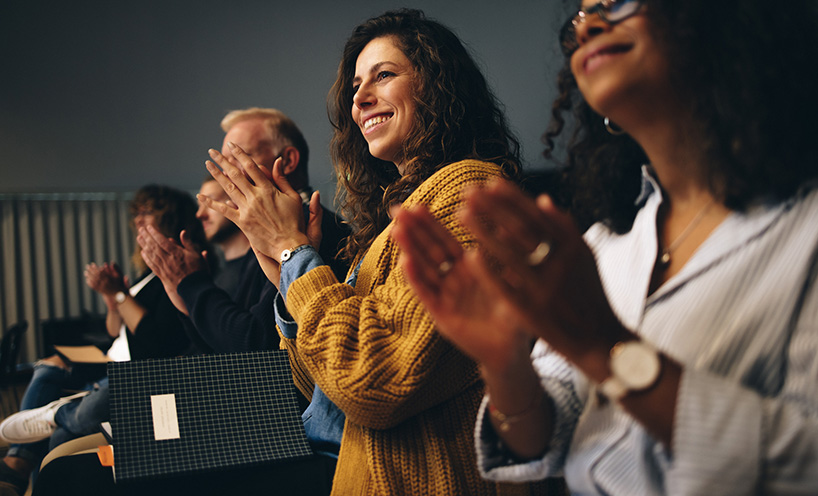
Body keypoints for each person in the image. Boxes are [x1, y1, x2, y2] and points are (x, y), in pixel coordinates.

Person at [393, 0, 818, 494]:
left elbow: (805, 465)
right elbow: (541, 439)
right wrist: (505, 365)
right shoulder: (605, 243)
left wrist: (604, 347)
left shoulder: (804, 229)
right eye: (580, 17)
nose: (589, 25)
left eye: (618, 3)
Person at [199, 9, 559, 495]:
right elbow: (323, 392)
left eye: (383, 76)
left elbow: (375, 385)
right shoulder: (396, 216)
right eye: (354, 89)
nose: (360, 99)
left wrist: (294, 255)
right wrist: (286, 278)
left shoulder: (467, 190)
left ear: (437, 86)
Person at [0, 185, 204, 496]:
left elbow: (154, 340)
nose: (138, 219)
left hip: (131, 368)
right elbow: (114, 330)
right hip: (111, 357)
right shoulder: (146, 274)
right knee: (47, 366)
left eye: (147, 212)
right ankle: (20, 464)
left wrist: (119, 295)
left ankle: (45, 428)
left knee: (61, 435)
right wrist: (113, 302)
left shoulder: (179, 270)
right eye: (136, 213)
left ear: (170, 218)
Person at [137, 177, 280, 354]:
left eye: (211, 201)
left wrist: (192, 285)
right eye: (200, 205)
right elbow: (216, 344)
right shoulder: (219, 271)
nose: (199, 214)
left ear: (239, 199)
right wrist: (186, 305)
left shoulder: (264, 266)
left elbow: (251, 343)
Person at [216, 107, 350, 283]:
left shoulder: (323, 230)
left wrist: (191, 286)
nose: (228, 173)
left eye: (240, 156)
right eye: (226, 162)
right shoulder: (263, 232)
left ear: (287, 161)